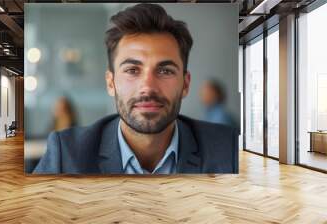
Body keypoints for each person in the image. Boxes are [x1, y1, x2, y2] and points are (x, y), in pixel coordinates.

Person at [33, 3, 238, 174]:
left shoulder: (227, 150)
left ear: (185, 84)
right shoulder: (67, 154)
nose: (147, 87)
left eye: (165, 71)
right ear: (111, 83)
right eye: (132, 70)